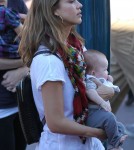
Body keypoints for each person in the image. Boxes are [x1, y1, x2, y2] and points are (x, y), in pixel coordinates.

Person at [18, 0, 116, 150]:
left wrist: (104, 88)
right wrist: (96, 132)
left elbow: (87, 89)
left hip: (85, 144)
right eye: (71, 1)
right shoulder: (49, 61)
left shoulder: (76, 49)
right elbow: (56, 122)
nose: (79, 5)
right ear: (53, 10)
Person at [84, 50, 127, 150]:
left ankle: (115, 144)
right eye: (105, 70)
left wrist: (110, 82)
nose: (107, 72)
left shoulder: (100, 79)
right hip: (92, 114)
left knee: (119, 126)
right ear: (93, 73)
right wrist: (102, 102)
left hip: (99, 113)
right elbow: (90, 92)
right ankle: (115, 143)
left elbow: (109, 88)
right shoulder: (91, 80)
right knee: (110, 118)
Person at [0, 0, 29, 150]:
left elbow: (36, 42)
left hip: (19, 103)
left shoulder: (16, 4)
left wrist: (24, 69)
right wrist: (23, 64)